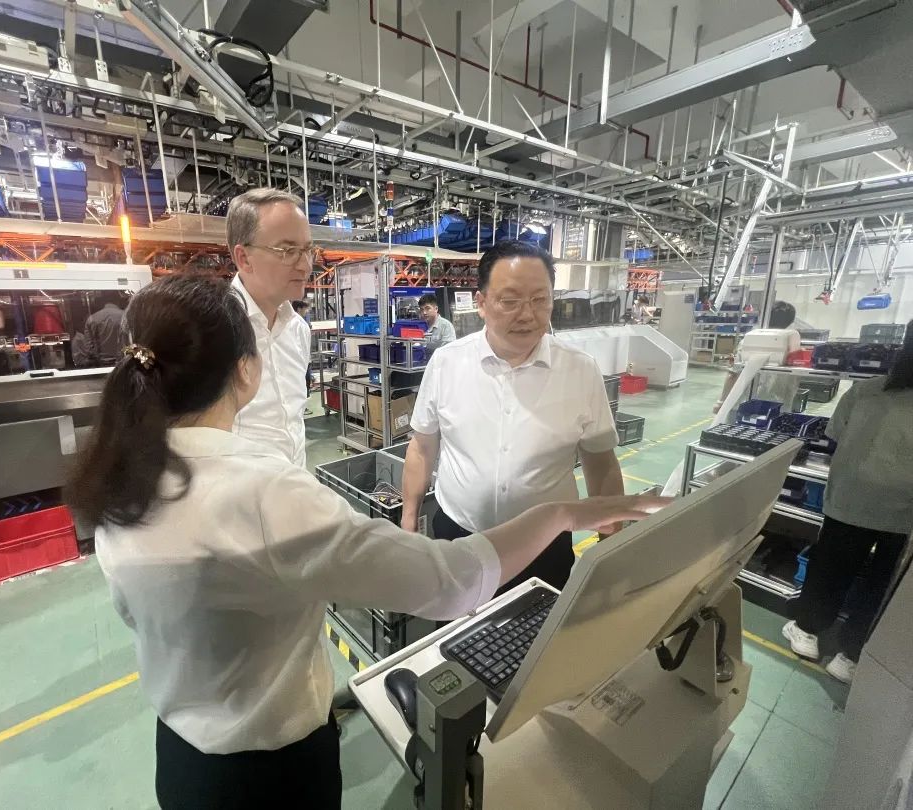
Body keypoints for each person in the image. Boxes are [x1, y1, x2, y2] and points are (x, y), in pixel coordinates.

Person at [65, 275, 666, 810]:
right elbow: (449, 580)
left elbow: (136, 615)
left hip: (180, 758)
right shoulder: (265, 493)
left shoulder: (119, 478)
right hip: (273, 772)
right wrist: (560, 512)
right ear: (247, 370)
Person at [401, 240, 626, 594]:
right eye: (510, 301)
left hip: (546, 546)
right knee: (456, 624)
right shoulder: (446, 363)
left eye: (540, 300)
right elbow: (422, 447)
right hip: (459, 538)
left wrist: (610, 543)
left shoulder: (580, 370)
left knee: (542, 628)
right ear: (481, 303)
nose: (527, 315)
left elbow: (601, 464)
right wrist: (408, 519)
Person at [782, 320, 913, 684]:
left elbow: (835, 433)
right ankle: (852, 655)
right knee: (881, 584)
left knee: (831, 568)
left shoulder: (866, 391)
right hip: (904, 514)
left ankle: (807, 632)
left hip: (851, 499)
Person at [227, 188, 312, 466]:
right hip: (240, 488)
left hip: (294, 480)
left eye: (308, 250)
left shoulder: (298, 330)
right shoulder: (213, 332)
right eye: (288, 251)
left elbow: (294, 420)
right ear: (244, 258)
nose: (305, 265)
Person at [714, 300, 800, 413]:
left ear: (765, 317)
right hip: (778, 408)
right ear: (790, 322)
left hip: (745, 407)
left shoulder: (749, 341)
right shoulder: (793, 345)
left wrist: (721, 402)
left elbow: (733, 375)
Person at [76, 293, 127, 367]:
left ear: (103, 301)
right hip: (122, 364)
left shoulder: (92, 319)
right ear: (117, 299)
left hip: (101, 365)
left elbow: (89, 350)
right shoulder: (125, 316)